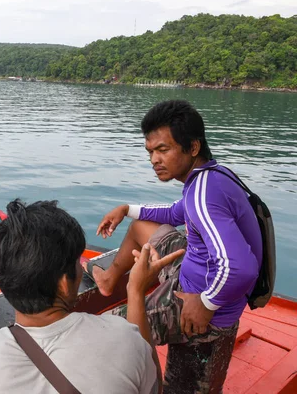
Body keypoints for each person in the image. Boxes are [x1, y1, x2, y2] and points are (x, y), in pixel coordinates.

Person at [82, 100, 263, 393]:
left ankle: (150, 384)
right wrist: (127, 208)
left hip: (201, 298)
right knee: (140, 226)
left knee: (101, 334)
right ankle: (110, 278)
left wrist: (206, 304)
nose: (154, 159)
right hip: (195, 269)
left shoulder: (205, 192)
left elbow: (242, 268)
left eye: (163, 150)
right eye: (150, 152)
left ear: (192, 147)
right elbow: (176, 213)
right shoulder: (210, 177)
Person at [0, 199, 184, 394]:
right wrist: (135, 291)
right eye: (76, 264)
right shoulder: (125, 339)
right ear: (64, 283)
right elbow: (152, 388)